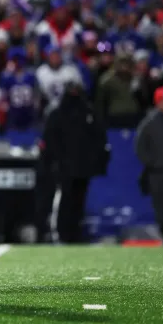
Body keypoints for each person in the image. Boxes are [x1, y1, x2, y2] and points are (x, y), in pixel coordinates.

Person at [40, 80, 109, 243]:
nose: (74, 94)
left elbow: (99, 140)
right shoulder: (57, 113)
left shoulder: (89, 113)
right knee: (65, 200)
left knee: (79, 201)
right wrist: (54, 162)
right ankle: (61, 234)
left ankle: (75, 234)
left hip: (83, 168)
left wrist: (96, 163)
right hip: (65, 167)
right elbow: (49, 141)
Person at [135, 87, 163, 245]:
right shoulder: (149, 123)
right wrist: (152, 162)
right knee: (162, 208)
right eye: (162, 100)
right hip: (158, 174)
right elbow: (140, 147)